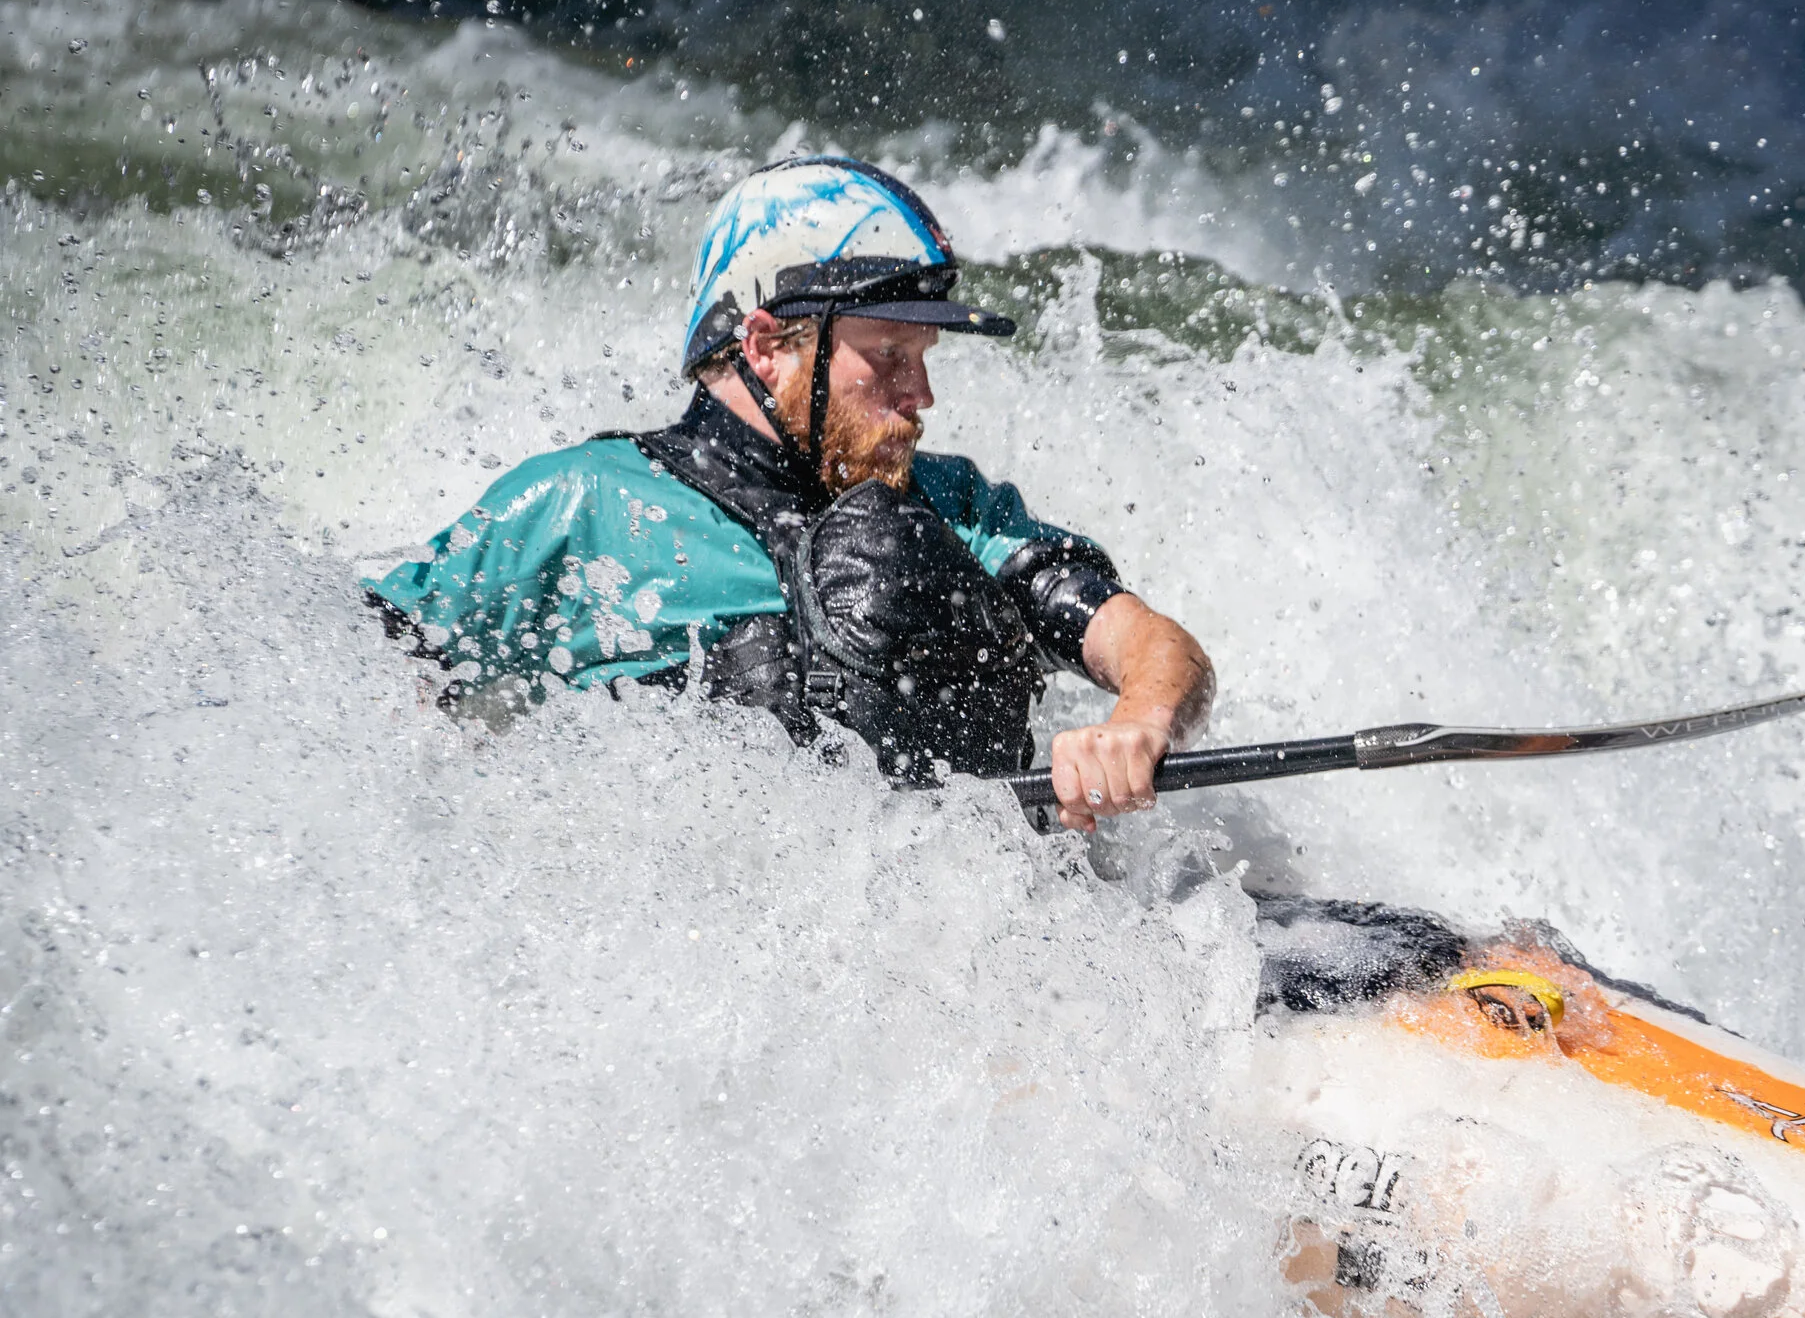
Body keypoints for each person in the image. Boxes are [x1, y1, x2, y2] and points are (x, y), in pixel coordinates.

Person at [363, 155, 1213, 832]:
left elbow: (1156, 646)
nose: (921, 396)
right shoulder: (582, 507)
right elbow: (358, 680)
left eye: (924, 359)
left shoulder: (953, 505)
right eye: (889, 357)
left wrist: (1136, 725)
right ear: (767, 346)